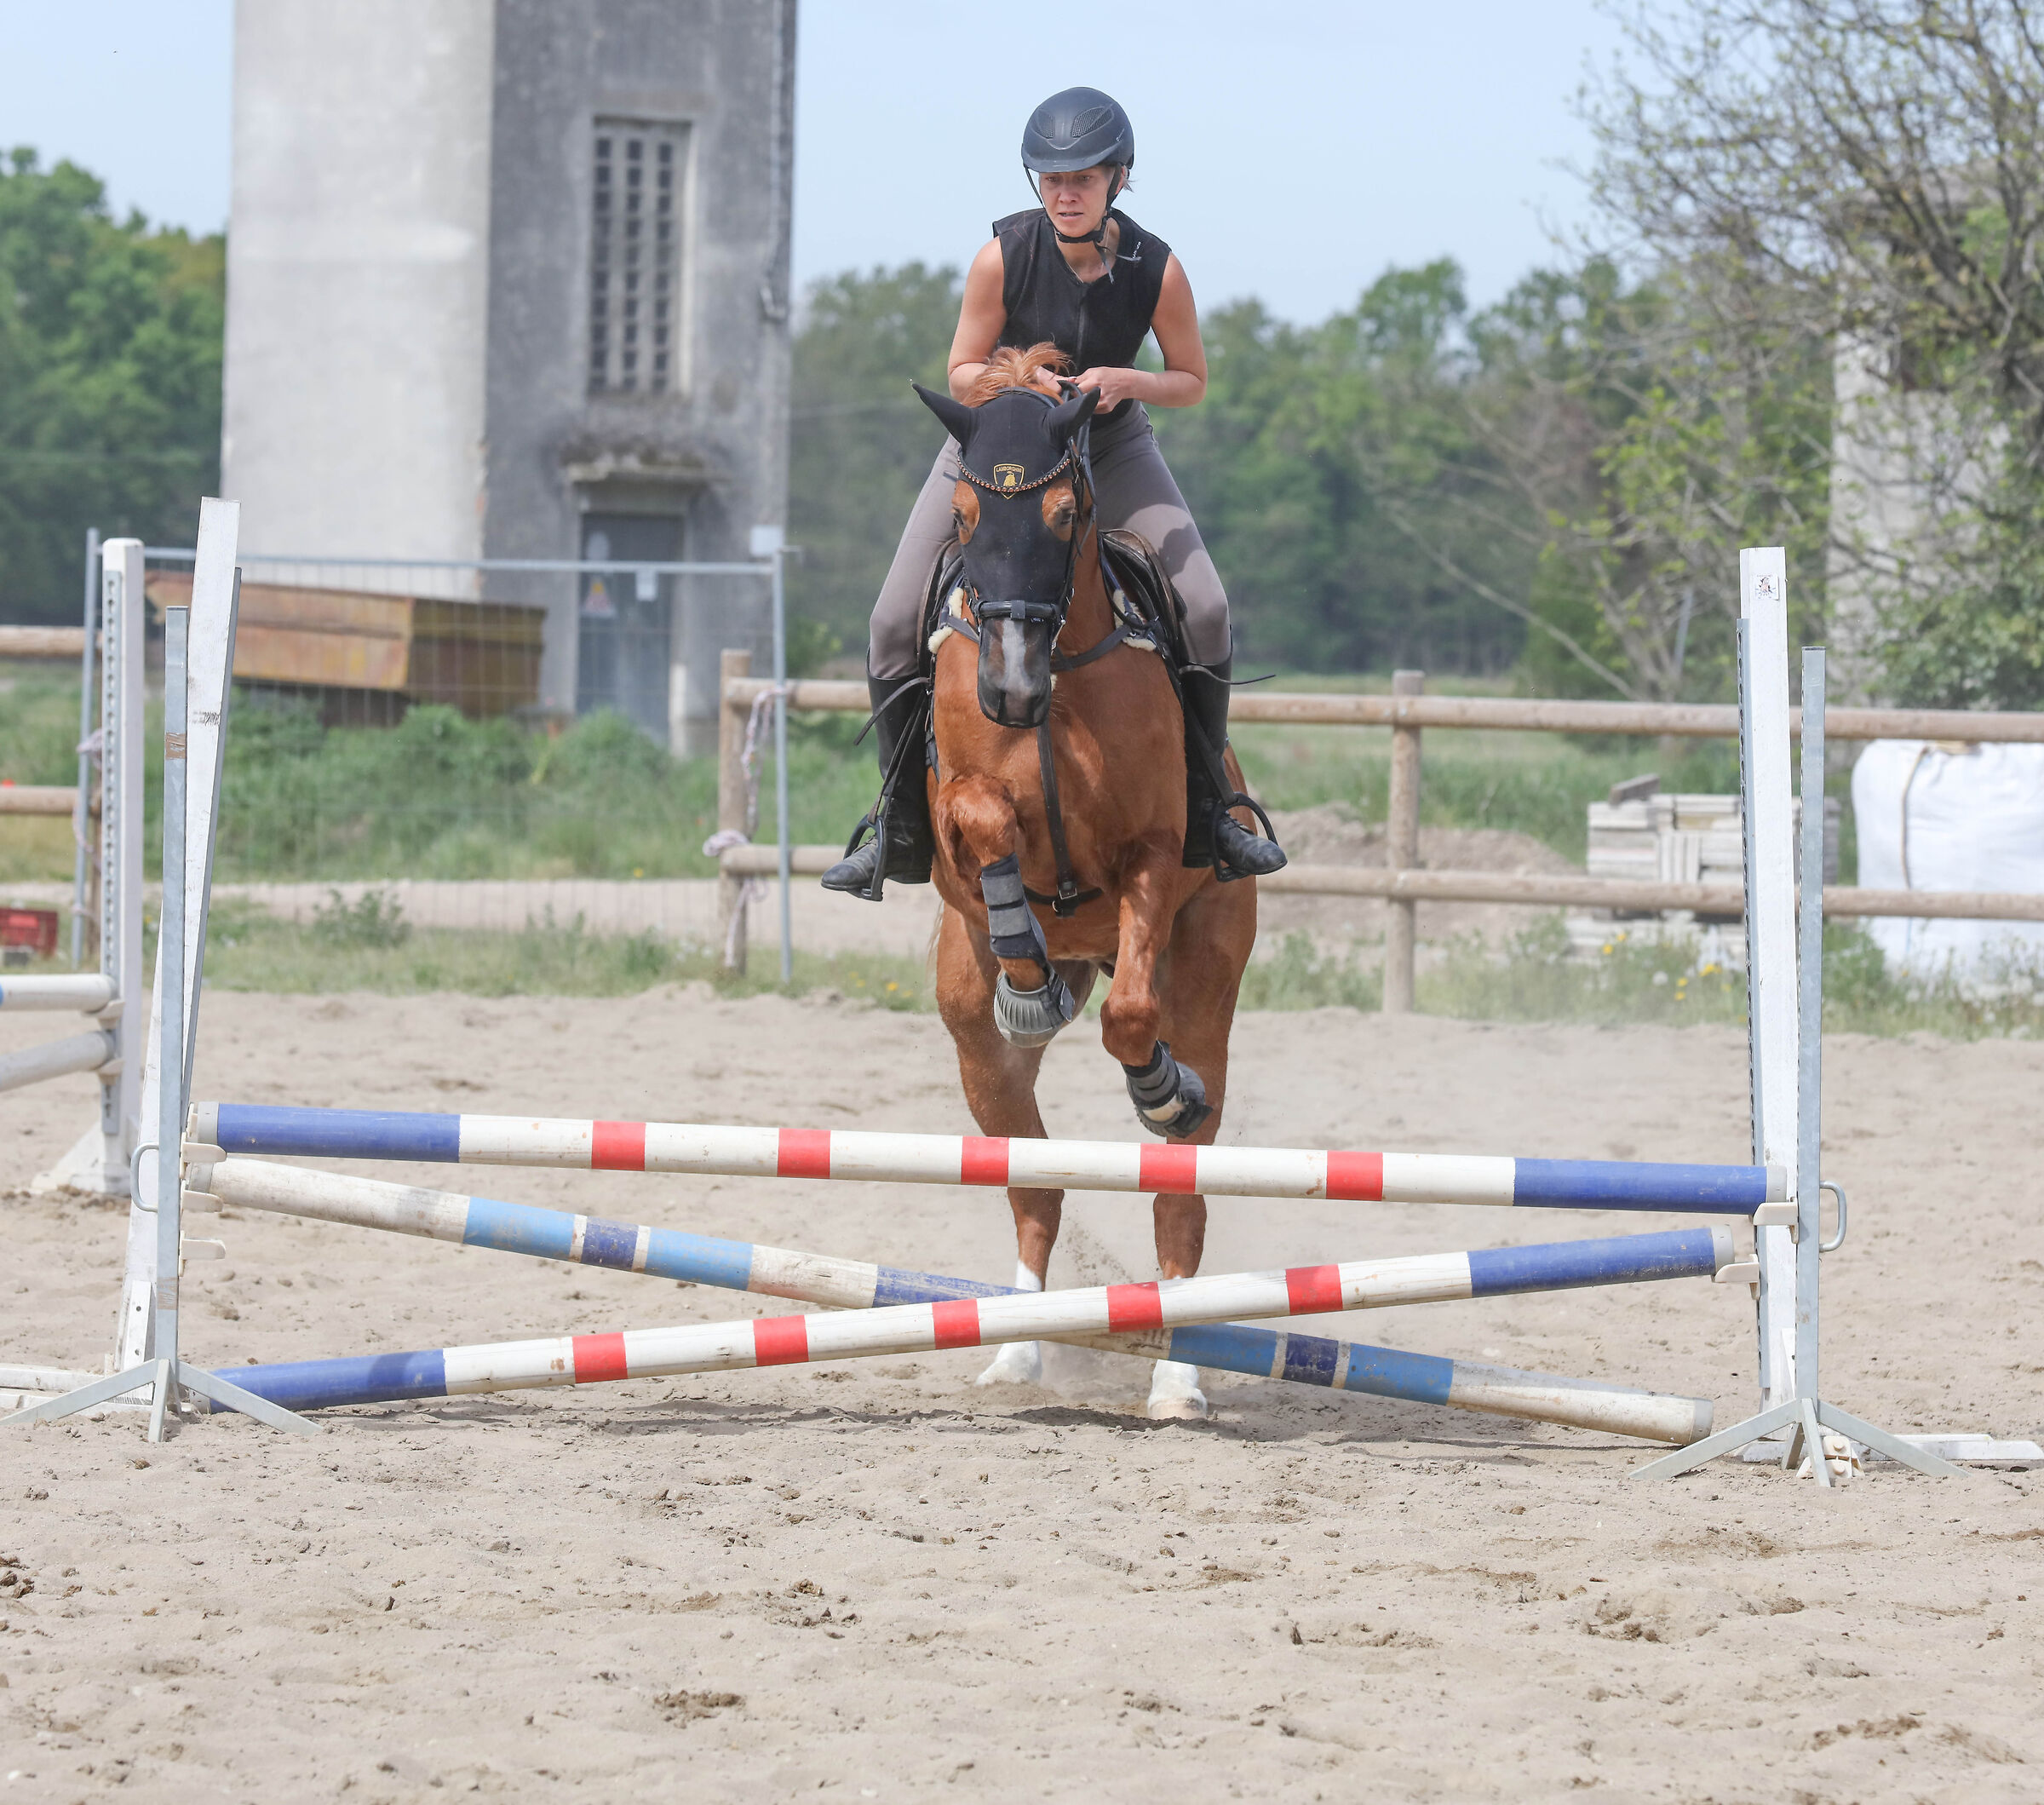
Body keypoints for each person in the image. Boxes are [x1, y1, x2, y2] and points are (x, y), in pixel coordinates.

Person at [823, 85, 1286, 899]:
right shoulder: (1002, 256)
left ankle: (1212, 810)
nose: (1066, 194)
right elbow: (960, 371)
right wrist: (1023, 381)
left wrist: (1127, 381)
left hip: (1110, 445)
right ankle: (898, 821)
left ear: (1119, 179)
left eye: (1084, 179)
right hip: (998, 449)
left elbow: (1191, 380)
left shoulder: (1157, 269)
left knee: (1207, 608)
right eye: (1053, 180)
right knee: (892, 619)